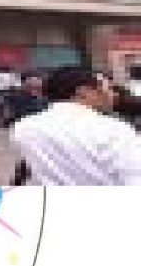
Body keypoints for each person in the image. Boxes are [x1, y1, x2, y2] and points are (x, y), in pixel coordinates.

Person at [11, 67, 141, 186]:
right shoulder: (114, 130)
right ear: (84, 92)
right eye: (109, 89)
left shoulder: (24, 127)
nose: (113, 95)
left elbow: (27, 170)